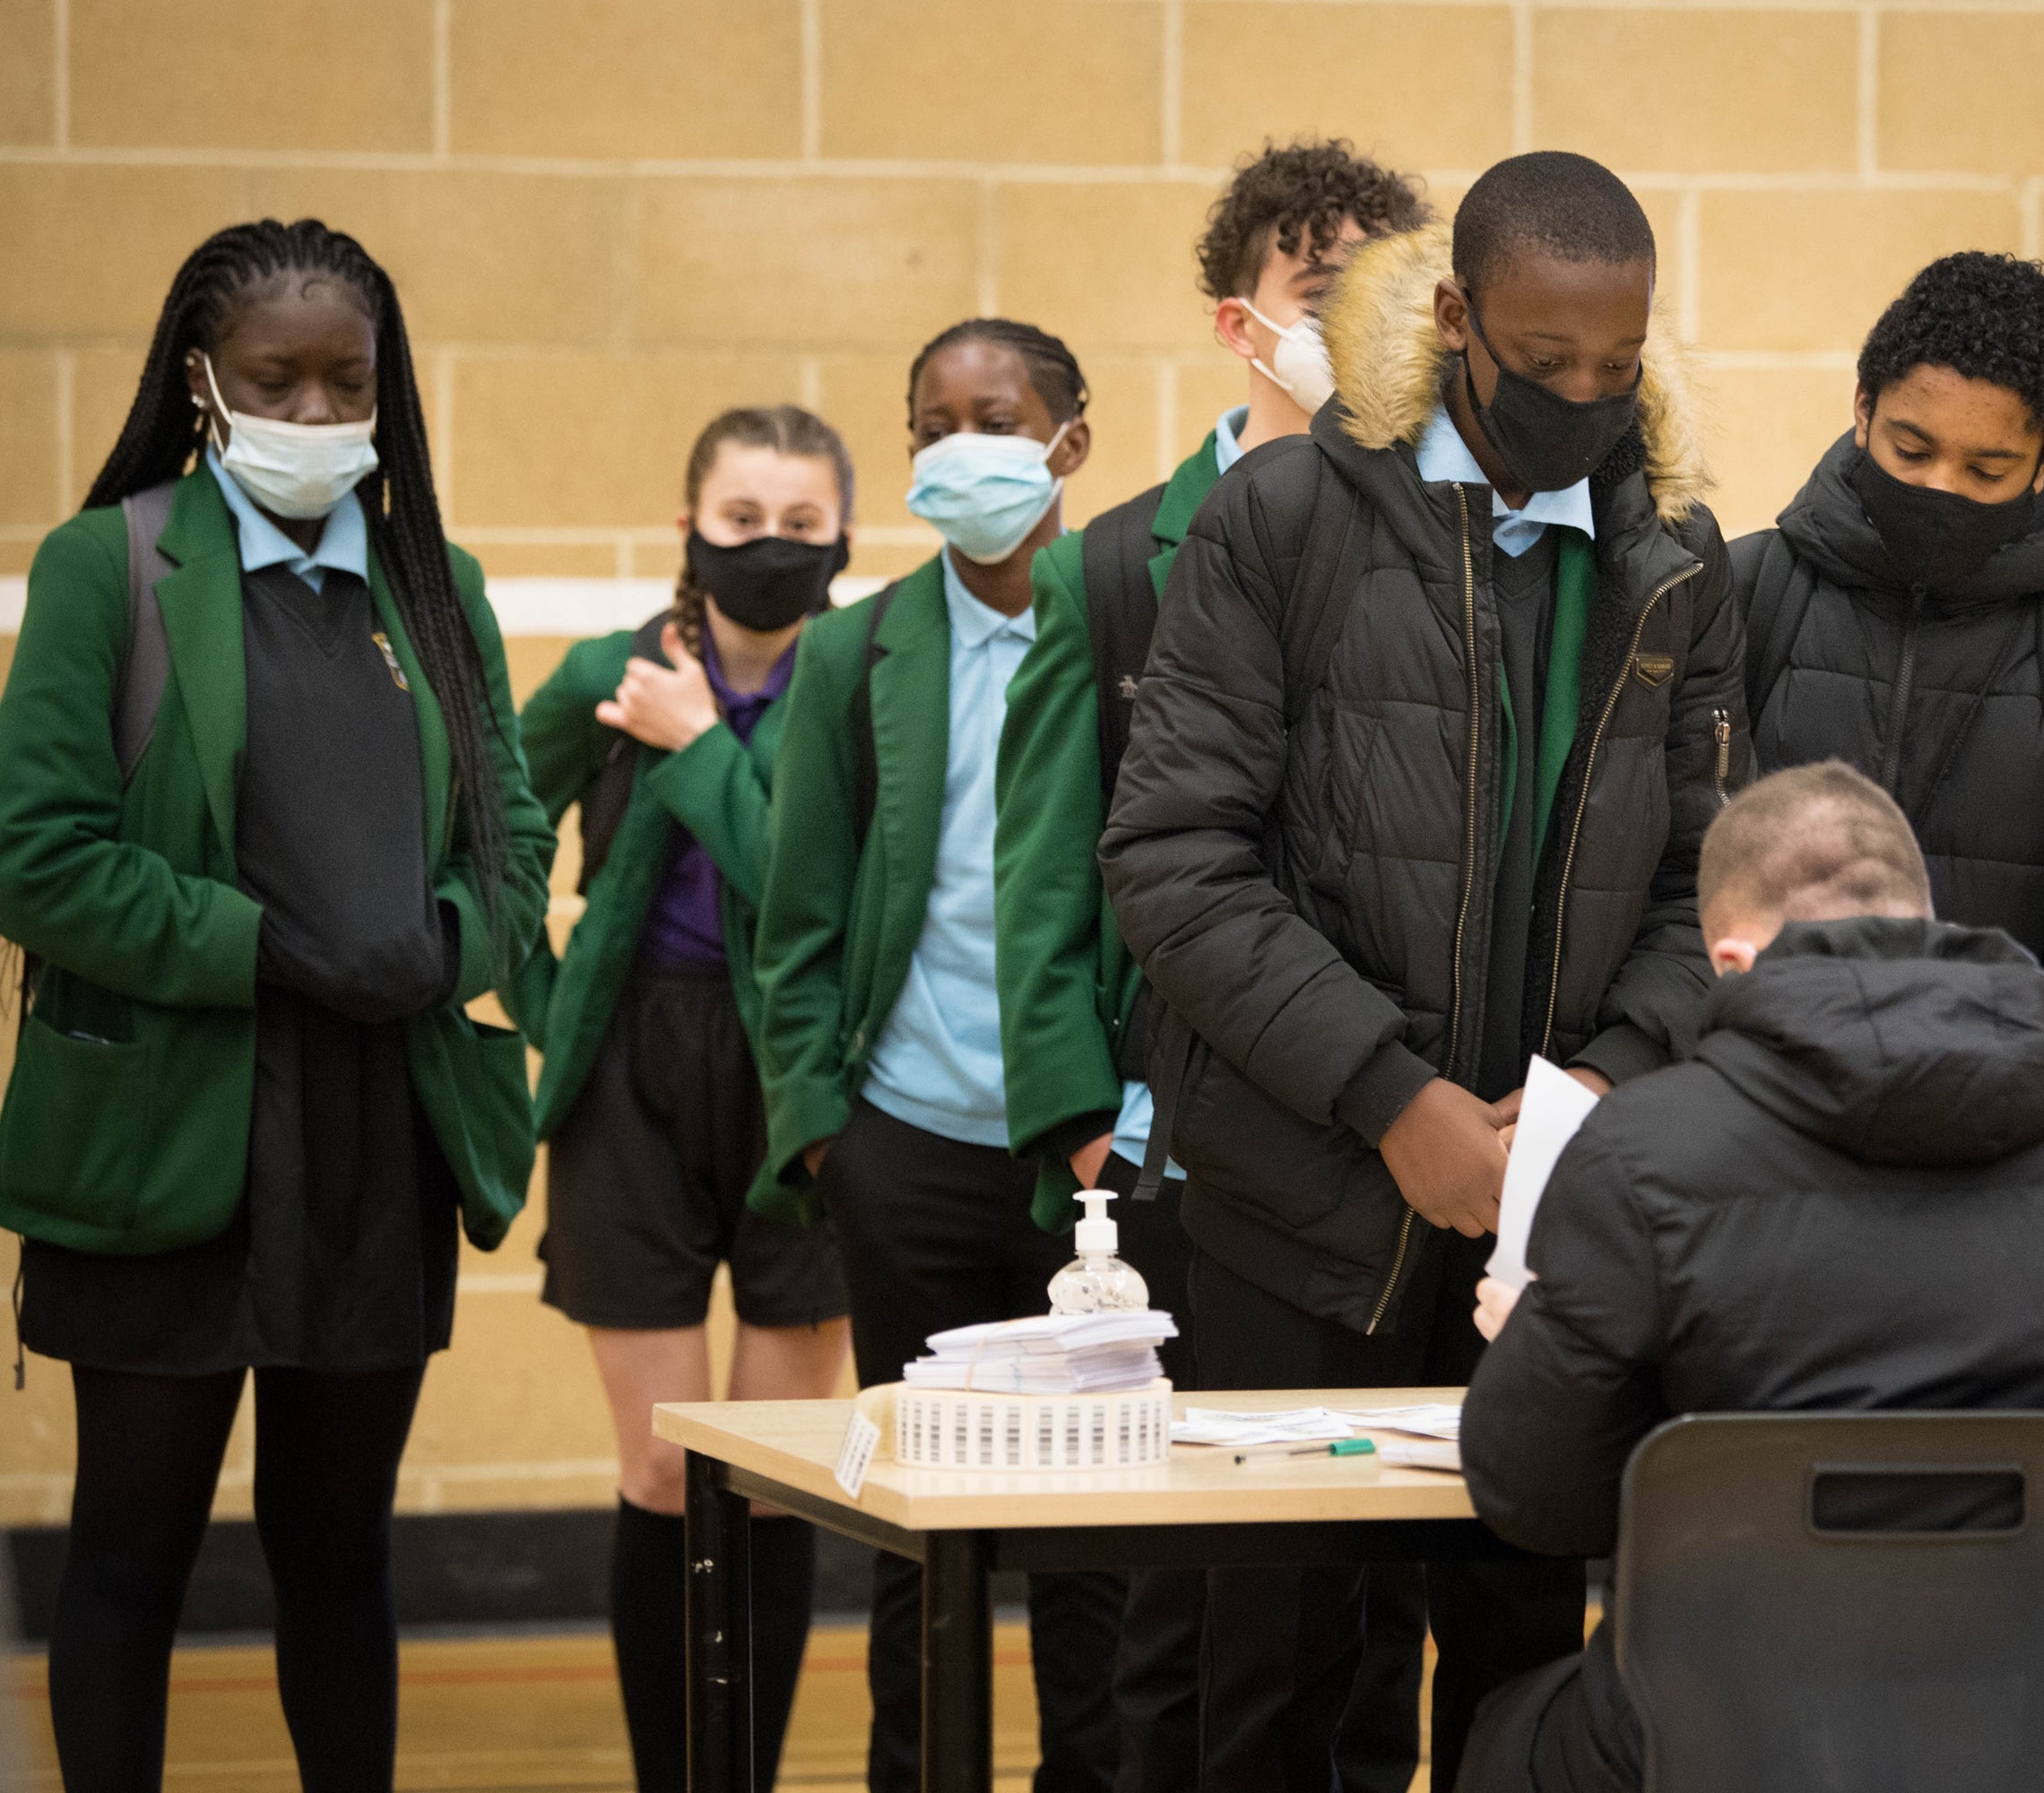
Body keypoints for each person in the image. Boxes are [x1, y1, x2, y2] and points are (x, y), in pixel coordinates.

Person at [1099, 151, 1748, 1791]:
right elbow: (1171, 861)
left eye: (1616, 364)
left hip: (1543, 1237)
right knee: (1276, 1690)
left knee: (1521, 1688)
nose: (1585, 398)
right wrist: (1388, 1098)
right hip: (1293, 1212)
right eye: (1543, 365)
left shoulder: (1673, 553)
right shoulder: (1289, 514)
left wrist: (1599, 1087)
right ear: (1456, 317)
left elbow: (1709, 883)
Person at [1457, 761, 2044, 1793]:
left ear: (1733, 962)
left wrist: (1540, 1339)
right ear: (1925, 923)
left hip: (1722, 1752)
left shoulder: (1637, 1156)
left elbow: (1530, 1495)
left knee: (1506, 1730)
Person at [0, 219, 552, 1793]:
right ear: (201, 380)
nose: (314, 415)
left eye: (346, 383)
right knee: (132, 1555)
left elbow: (512, 845)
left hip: (378, 1132)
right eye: (275, 382)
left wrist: (443, 947)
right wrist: (275, 946)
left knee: (338, 1554)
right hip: (167, 1131)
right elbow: (35, 859)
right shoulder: (109, 564)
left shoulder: (435, 584)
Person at [992, 137, 1431, 1793]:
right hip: (1169, 1129)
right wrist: (1082, 1122)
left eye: (1388, 293)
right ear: (1235, 317)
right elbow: (1042, 871)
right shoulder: (1116, 563)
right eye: (1319, 289)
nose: (1355, 322)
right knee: (1179, 1584)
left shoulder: (1433, 537)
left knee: (1364, 1572)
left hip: (1368, 1116)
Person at [753, 318, 1122, 1793]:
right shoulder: (858, 648)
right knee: (924, 1520)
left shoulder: (1138, 620)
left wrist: (1135, 1131)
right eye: (931, 424)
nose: (959, 446)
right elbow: (793, 922)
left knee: (1102, 1528)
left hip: (1087, 1150)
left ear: (1067, 442)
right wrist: (830, 1135)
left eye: (995, 416)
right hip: (900, 1137)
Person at [505, 407, 855, 1793]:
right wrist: (555, 1003)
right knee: (661, 1473)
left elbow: (818, 893)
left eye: (800, 527)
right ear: (685, 529)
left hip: (803, 1080)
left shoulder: (858, 677)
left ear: (841, 541)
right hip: (632, 1076)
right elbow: (485, 836)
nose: (767, 548)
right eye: (740, 520)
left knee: (770, 1474)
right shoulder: (604, 673)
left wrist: (702, 740)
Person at [1732, 251, 2044, 1070]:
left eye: (1987, 470)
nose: (1941, 488)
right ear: (1862, 409)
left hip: (1990, 1146)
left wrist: (1988, 1138)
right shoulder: (1740, 592)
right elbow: (1664, 888)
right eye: (1910, 451)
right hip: (1745, 1126)